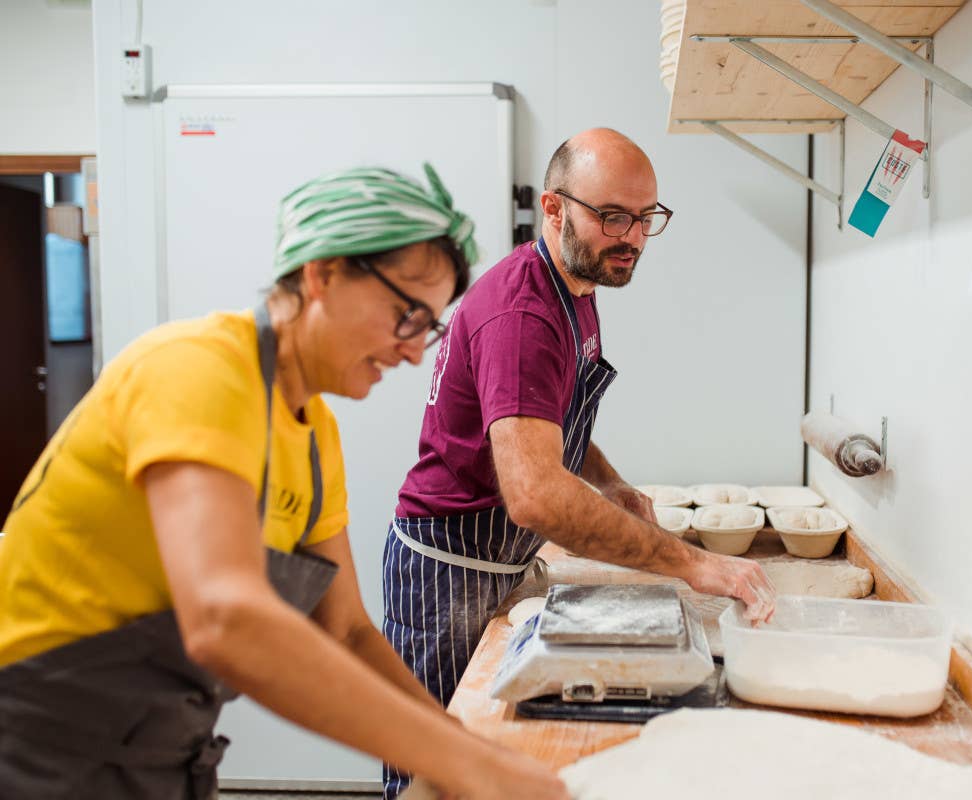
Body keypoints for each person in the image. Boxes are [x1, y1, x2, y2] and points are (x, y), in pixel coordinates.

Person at [0, 166, 569, 800]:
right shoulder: (198, 371)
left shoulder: (313, 429)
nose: (415, 352)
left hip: (157, 755)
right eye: (407, 315)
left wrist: (459, 746)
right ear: (322, 273)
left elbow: (347, 631)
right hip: (37, 750)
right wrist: (467, 766)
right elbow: (224, 619)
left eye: (429, 326)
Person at [381, 129, 776, 797]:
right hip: (447, 574)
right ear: (555, 209)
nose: (633, 237)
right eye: (612, 216)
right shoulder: (525, 315)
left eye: (647, 217)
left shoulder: (575, 290)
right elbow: (534, 495)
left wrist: (608, 481)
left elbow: (548, 419)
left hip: (499, 560)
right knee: (430, 773)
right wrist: (696, 564)